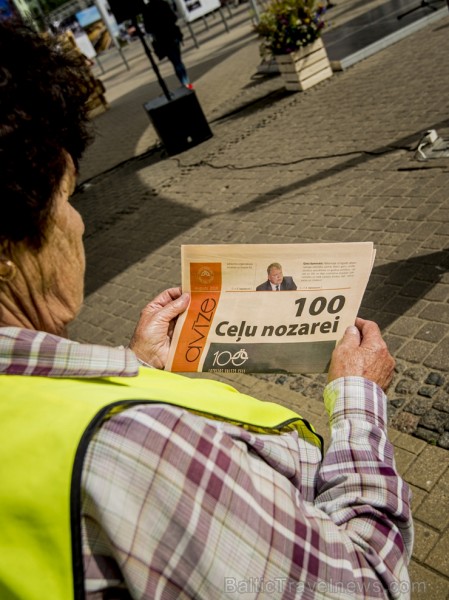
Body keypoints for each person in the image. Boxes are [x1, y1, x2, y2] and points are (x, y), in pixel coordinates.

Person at [0, 19, 412, 600]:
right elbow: (364, 582)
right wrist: (358, 404)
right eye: (64, 198)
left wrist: (139, 367)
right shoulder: (136, 447)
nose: (79, 222)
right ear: (6, 251)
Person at [142, 0, 192, 88]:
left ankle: (185, 83)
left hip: (162, 40)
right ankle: (186, 82)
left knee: (176, 62)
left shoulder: (146, 10)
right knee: (178, 61)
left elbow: (148, 29)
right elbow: (174, 18)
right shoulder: (163, 3)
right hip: (173, 35)